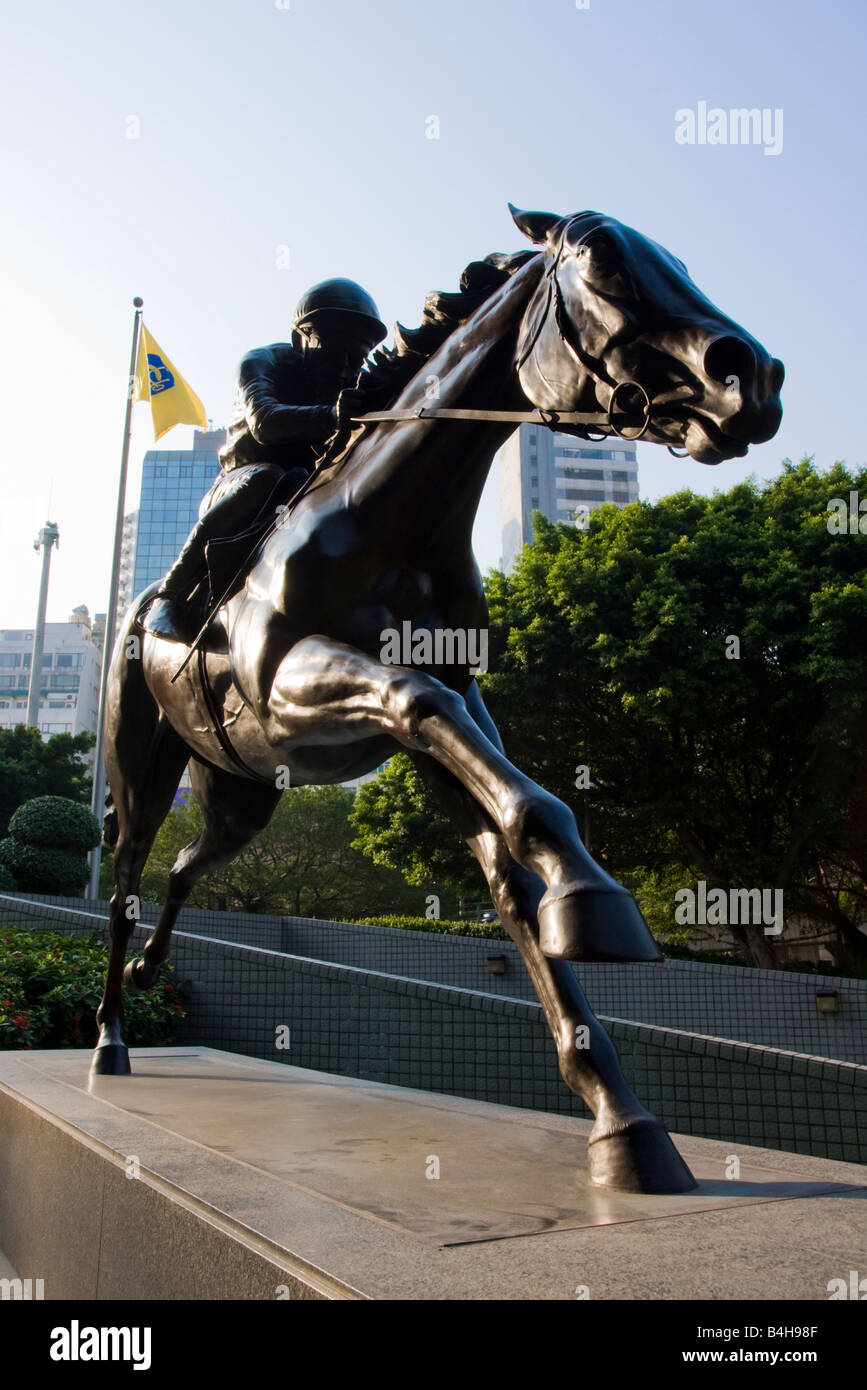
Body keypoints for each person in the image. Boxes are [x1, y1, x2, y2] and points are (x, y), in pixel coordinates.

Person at [143, 278, 387, 642]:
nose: (345, 368)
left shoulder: (352, 385)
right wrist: (331, 416)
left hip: (303, 487)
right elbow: (265, 423)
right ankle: (171, 595)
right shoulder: (262, 362)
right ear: (299, 341)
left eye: (356, 357)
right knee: (269, 478)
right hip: (239, 486)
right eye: (333, 351)